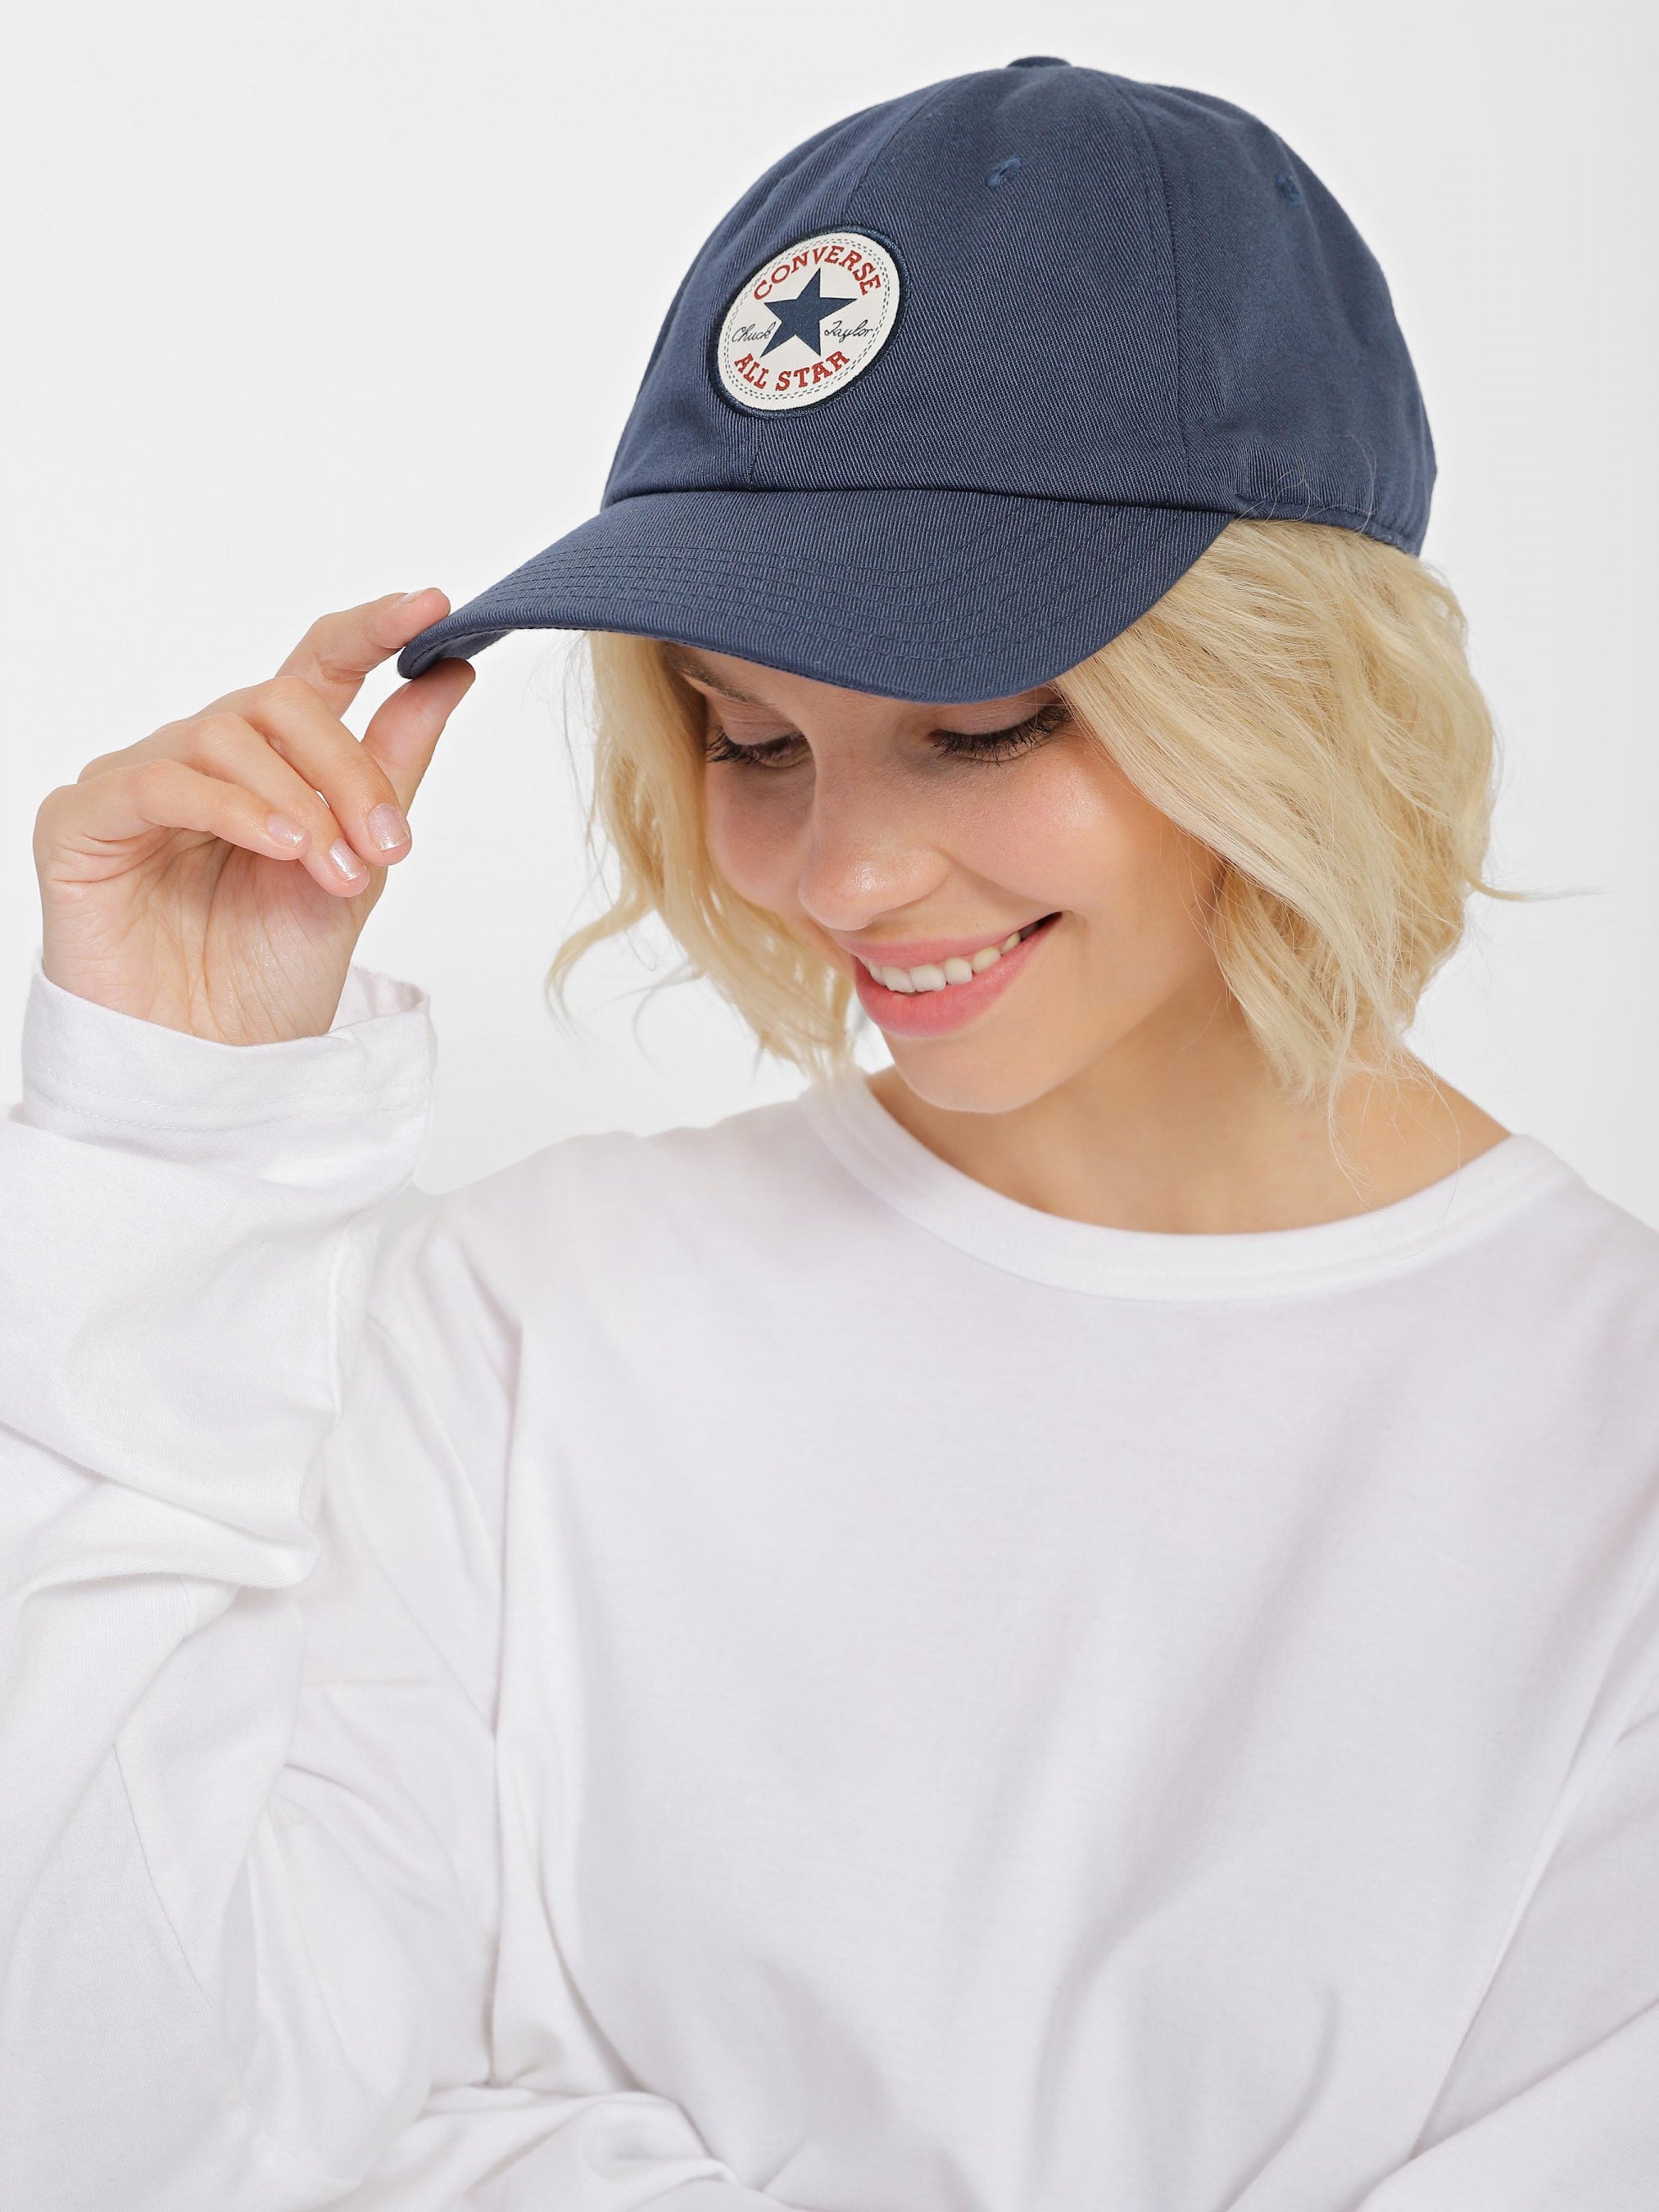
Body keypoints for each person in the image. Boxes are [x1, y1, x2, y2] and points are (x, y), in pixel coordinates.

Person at [3, 52, 1657, 2212]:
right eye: (749, 735)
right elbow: (128, 2138)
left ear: (1297, 701)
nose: (840, 871)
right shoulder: (524, 1320)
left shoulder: (1610, 1443)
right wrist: (170, 1151)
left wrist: (523, 2151)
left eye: (983, 726)